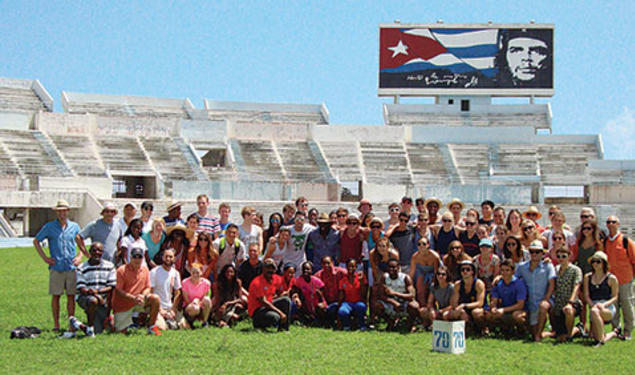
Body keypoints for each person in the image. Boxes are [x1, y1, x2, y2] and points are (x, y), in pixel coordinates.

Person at [33, 199, 83, 336]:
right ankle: (56, 324)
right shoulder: (49, 227)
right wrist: (45, 258)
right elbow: (36, 241)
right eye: (59, 211)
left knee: (71, 296)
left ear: (68, 211)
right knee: (56, 296)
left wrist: (80, 256)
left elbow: (80, 242)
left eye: (64, 210)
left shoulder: (74, 227)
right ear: (57, 212)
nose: (62, 213)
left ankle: (71, 323)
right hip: (57, 266)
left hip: (71, 266)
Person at [111, 248, 162, 335]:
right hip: (124, 304)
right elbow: (118, 290)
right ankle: (111, 320)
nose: (137, 260)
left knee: (155, 298)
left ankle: (151, 327)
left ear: (143, 258)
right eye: (134, 257)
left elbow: (147, 287)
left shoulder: (145, 269)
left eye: (140, 257)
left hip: (139, 301)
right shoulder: (121, 270)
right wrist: (133, 298)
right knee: (120, 332)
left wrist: (142, 296)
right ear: (130, 257)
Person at [515, 240, 556, 342]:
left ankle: (538, 336)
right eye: (532, 251)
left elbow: (552, 284)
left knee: (543, 306)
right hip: (529, 302)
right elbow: (514, 280)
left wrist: (546, 298)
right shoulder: (522, 267)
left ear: (542, 253)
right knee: (531, 330)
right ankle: (542, 333)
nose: (534, 254)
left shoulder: (548, 266)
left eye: (537, 252)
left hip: (543, 299)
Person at [74, 242, 116, 336]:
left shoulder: (110, 266)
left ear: (103, 252)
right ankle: (90, 328)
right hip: (85, 298)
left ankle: (79, 325)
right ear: (89, 252)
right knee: (93, 301)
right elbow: (82, 289)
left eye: (99, 251)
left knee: (100, 330)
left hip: (103, 300)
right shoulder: (82, 267)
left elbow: (112, 286)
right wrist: (96, 295)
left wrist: (98, 292)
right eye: (94, 250)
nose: (96, 253)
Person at [604, 215, 635, 340]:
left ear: (618, 224)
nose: (611, 224)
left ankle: (628, 331)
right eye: (608, 222)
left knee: (627, 305)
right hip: (611, 280)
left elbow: (633, 260)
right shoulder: (605, 241)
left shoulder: (626, 241)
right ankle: (616, 329)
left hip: (625, 279)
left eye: (614, 222)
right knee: (614, 306)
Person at [583, 252, 620, 346]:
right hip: (593, 306)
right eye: (593, 261)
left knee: (595, 311)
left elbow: (615, 297)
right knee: (592, 335)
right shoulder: (588, 277)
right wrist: (593, 305)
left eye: (598, 261)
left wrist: (603, 305)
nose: (595, 264)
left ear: (604, 263)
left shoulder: (611, 278)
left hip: (607, 307)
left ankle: (599, 342)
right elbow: (586, 296)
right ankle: (613, 333)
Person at [375, 258, 419, 332]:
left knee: (414, 306)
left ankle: (410, 324)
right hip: (391, 302)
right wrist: (393, 302)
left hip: (404, 302)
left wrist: (395, 293)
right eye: (389, 267)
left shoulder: (405, 278)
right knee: (377, 305)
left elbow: (412, 295)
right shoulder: (384, 277)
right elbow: (380, 295)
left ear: (398, 268)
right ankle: (390, 322)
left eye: (394, 267)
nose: (391, 269)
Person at [551, 245, 583, 342]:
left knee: (569, 311)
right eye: (559, 256)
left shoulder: (575, 270)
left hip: (572, 303)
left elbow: (577, 286)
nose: (561, 259)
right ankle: (577, 329)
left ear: (569, 256)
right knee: (559, 334)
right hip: (558, 303)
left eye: (564, 256)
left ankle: (570, 336)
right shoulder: (555, 269)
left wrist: (570, 302)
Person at [248, 258, 291, 331]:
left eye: (272, 268)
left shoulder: (277, 279)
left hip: (269, 304)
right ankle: (258, 324)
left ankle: (284, 328)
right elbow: (263, 302)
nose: (270, 270)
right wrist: (280, 312)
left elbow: (281, 291)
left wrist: (285, 293)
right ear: (263, 269)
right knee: (275, 317)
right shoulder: (257, 282)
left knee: (286, 300)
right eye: (267, 268)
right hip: (258, 310)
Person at [487, 259, 527, 335]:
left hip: (519, 310)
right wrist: (493, 307)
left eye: (507, 270)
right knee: (489, 315)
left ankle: (522, 332)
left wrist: (503, 310)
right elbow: (494, 299)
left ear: (513, 271)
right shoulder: (498, 283)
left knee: (517, 316)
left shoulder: (519, 284)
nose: (504, 273)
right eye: (502, 270)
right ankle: (500, 331)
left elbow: (520, 305)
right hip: (504, 309)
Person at [448, 260, 486, 334]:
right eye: (463, 269)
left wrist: (464, 306)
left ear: (472, 272)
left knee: (476, 313)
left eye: (468, 269)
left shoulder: (479, 284)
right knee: (449, 314)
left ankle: (482, 329)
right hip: (463, 309)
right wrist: (459, 310)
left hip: (478, 309)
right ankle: (467, 329)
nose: (465, 271)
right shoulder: (458, 284)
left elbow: (480, 303)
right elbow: (454, 303)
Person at [150, 249, 182, 330]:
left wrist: (173, 309)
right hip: (157, 307)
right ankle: (156, 320)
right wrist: (160, 309)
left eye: (170, 257)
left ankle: (169, 321)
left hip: (170, 307)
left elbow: (178, 293)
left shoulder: (175, 273)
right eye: (166, 256)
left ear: (174, 259)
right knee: (162, 328)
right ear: (162, 258)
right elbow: (151, 291)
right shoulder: (154, 272)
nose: (168, 259)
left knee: (184, 326)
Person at [409, 236, 441, 306]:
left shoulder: (434, 256)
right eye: (419, 244)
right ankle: (422, 308)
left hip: (433, 273)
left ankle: (431, 306)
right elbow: (412, 272)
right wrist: (409, 283)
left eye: (424, 244)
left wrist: (434, 281)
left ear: (428, 245)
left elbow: (436, 271)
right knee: (420, 289)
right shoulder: (415, 256)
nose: (421, 246)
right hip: (421, 272)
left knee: (432, 289)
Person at [338, 258, 368, 331]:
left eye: (353, 266)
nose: (351, 268)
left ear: (356, 267)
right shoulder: (343, 280)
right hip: (348, 303)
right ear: (346, 267)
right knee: (342, 311)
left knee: (361, 306)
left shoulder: (361, 278)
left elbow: (364, 294)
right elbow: (341, 296)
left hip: (358, 302)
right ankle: (346, 326)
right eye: (349, 266)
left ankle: (361, 325)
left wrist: (361, 282)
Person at [181, 263, 212, 328]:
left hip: (200, 304)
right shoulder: (185, 282)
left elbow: (205, 297)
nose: (195, 274)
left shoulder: (206, 283)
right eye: (193, 272)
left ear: (201, 272)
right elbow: (186, 300)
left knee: (207, 300)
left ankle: (204, 322)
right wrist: (194, 303)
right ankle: (190, 321)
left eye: (197, 272)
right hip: (189, 306)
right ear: (190, 272)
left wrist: (198, 302)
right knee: (195, 308)